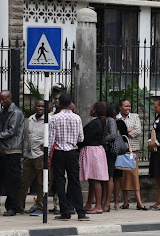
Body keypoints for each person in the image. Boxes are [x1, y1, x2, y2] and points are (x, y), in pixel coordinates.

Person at [49, 92, 88, 221]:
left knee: (60, 182)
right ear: (70, 103)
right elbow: (81, 138)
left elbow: (50, 140)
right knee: (75, 182)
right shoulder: (77, 118)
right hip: (72, 152)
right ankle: (81, 212)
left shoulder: (54, 118)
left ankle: (65, 212)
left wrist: (48, 156)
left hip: (59, 153)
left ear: (59, 103)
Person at [78, 102, 110, 214]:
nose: (90, 109)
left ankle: (98, 206)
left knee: (95, 180)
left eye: (92, 108)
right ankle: (88, 204)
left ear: (95, 110)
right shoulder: (101, 122)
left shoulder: (94, 124)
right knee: (92, 179)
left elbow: (85, 139)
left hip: (92, 151)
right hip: (97, 151)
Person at [116, 98, 146, 210]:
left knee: (134, 175)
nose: (128, 108)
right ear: (120, 107)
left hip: (133, 151)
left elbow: (138, 130)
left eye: (129, 106)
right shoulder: (116, 118)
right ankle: (125, 202)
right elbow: (117, 133)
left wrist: (126, 132)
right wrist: (129, 130)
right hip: (121, 150)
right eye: (125, 106)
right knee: (123, 176)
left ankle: (139, 202)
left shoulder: (135, 116)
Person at [17, 99, 45, 216]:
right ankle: (19, 207)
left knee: (42, 183)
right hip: (29, 155)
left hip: (41, 155)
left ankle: (40, 207)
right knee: (24, 181)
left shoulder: (49, 120)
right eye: (38, 106)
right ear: (34, 107)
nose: (40, 108)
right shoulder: (30, 119)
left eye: (42, 106)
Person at [100, 103, 121, 213]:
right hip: (103, 151)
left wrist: (102, 140)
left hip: (109, 151)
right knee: (104, 178)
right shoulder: (103, 119)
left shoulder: (111, 120)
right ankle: (103, 202)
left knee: (110, 177)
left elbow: (113, 135)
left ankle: (107, 203)